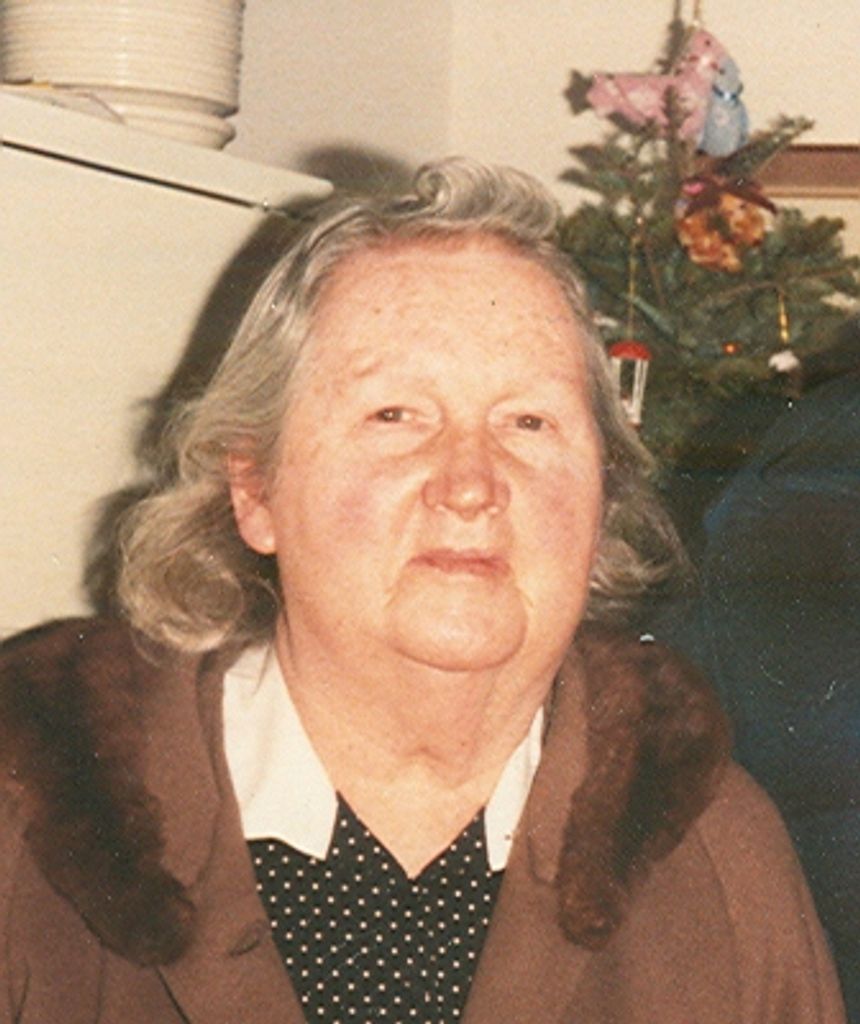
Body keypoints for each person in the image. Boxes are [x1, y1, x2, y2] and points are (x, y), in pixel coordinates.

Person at [0, 158, 844, 1023]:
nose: (472, 485)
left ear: (601, 497)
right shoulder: (30, 829)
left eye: (529, 421)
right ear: (254, 489)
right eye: (395, 415)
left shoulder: (717, 859)